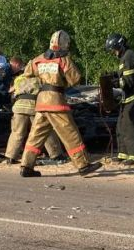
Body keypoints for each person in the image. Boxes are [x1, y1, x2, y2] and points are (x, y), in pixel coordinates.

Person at [19, 31, 103, 178]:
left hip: (41, 102)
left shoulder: (38, 59)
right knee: (71, 133)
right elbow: (75, 79)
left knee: (35, 135)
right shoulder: (63, 60)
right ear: (65, 44)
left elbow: (26, 75)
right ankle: (83, 165)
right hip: (56, 102)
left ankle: (26, 166)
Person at [5, 63, 66, 164]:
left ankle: (11, 157)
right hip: (34, 106)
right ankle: (56, 154)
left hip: (19, 107)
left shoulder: (19, 79)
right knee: (44, 130)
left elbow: (13, 93)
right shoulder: (40, 79)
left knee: (17, 132)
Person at [105, 33, 134, 164]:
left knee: (130, 127)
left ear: (120, 46)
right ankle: (123, 154)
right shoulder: (125, 57)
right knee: (121, 126)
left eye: (114, 49)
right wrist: (112, 75)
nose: (113, 52)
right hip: (128, 99)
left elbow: (129, 81)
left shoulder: (129, 56)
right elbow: (122, 75)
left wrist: (114, 83)